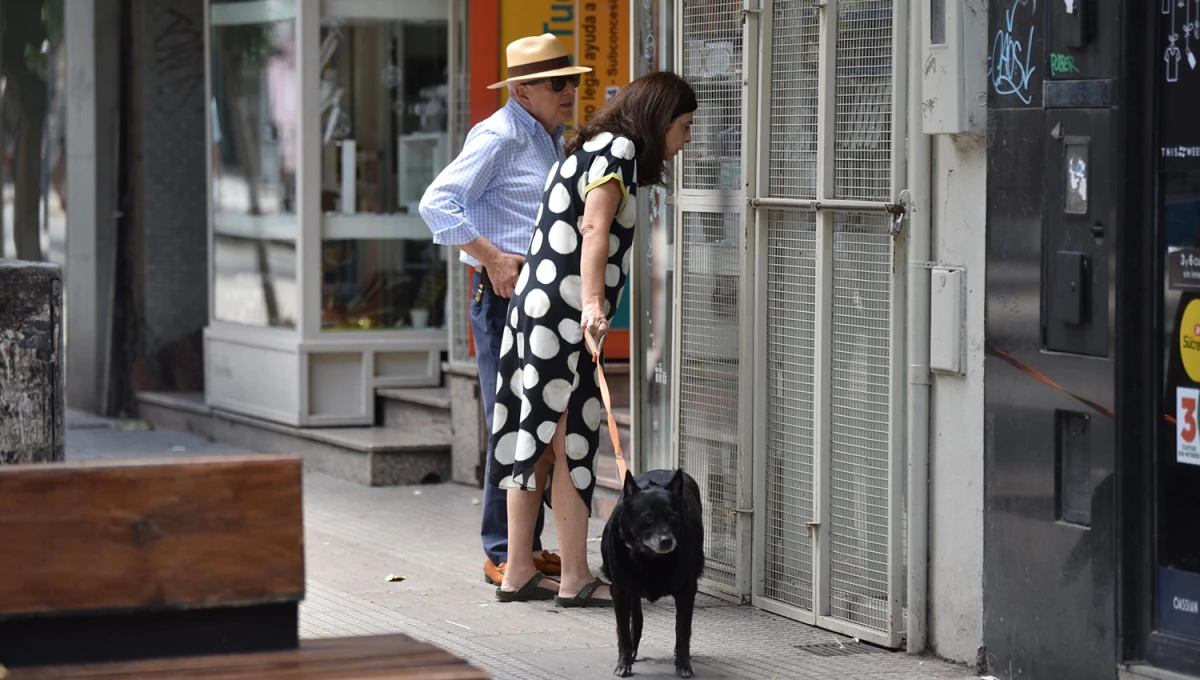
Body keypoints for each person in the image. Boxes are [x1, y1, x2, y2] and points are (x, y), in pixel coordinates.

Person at [489, 71, 696, 606]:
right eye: (683, 126)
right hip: (564, 316)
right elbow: (594, 229)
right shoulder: (620, 150)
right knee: (570, 442)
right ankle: (575, 577)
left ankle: (517, 571)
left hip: (536, 311)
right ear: (659, 120)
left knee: (531, 442)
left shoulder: (590, 145)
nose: (687, 139)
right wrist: (594, 305)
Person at [419, 34, 592, 586]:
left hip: (540, 303)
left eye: (573, 81)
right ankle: (501, 551)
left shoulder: (549, 136)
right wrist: (492, 259)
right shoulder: (498, 134)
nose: (569, 92)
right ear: (522, 89)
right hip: (501, 300)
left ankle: (526, 546)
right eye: (558, 83)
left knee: (536, 422)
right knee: (512, 423)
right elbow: (435, 204)